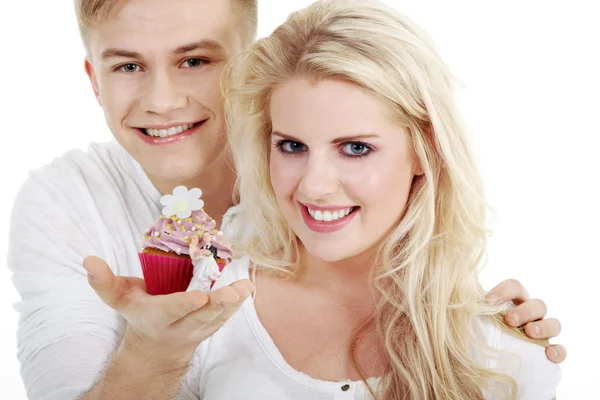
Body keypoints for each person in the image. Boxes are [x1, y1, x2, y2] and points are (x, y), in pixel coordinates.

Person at [7, 0, 564, 399]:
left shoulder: (507, 350)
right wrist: (153, 352)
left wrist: (475, 316)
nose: (162, 101)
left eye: (195, 60)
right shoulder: (214, 301)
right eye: (292, 146)